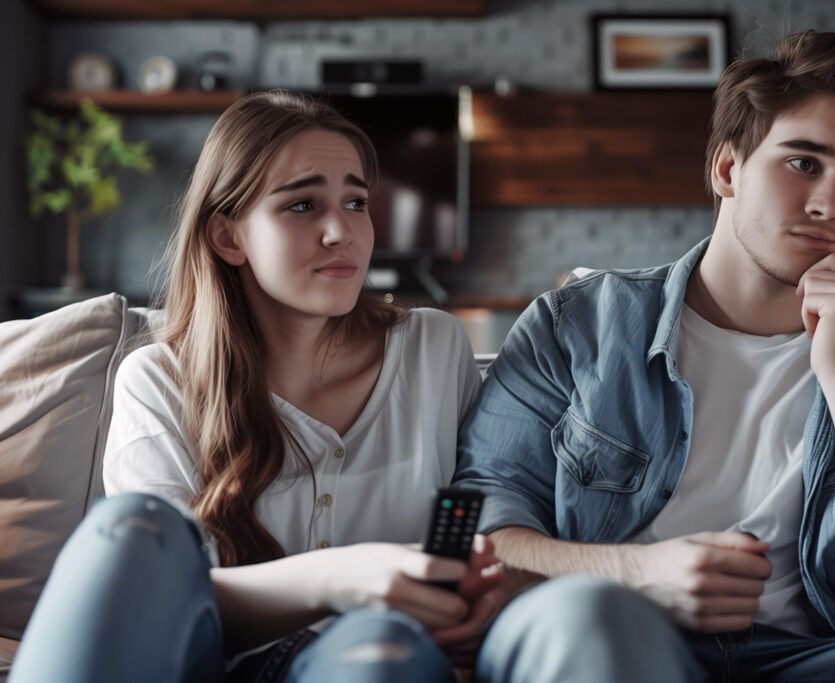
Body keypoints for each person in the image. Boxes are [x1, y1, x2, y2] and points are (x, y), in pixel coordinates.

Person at [454, 30, 835, 681]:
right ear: (728, 169)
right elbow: (484, 533)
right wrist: (641, 575)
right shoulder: (577, 324)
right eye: (804, 162)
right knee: (586, 617)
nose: (828, 205)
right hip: (623, 633)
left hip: (818, 658)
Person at [10, 90, 504, 683]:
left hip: (370, 661)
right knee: (136, 531)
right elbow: (166, 605)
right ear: (228, 237)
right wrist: (347, 578)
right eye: (302, 206)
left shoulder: (434, 349)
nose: (340, 231)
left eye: (355, 201)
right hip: (211, 665)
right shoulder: (159, 379)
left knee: (379, 649)